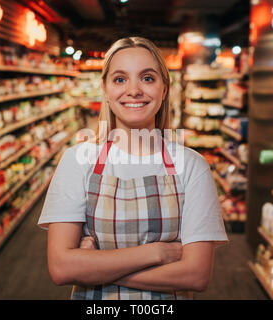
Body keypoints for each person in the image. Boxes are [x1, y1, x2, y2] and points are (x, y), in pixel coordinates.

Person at [37, 37, 228, 300]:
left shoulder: (192, 166)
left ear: (164, 88)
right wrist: (157, 253)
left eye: (147, 78)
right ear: (104, 89)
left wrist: (94, 266)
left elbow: (195, 275)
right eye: (120, 79)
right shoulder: (78, 161)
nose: (134, 90)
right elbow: (61, 269)